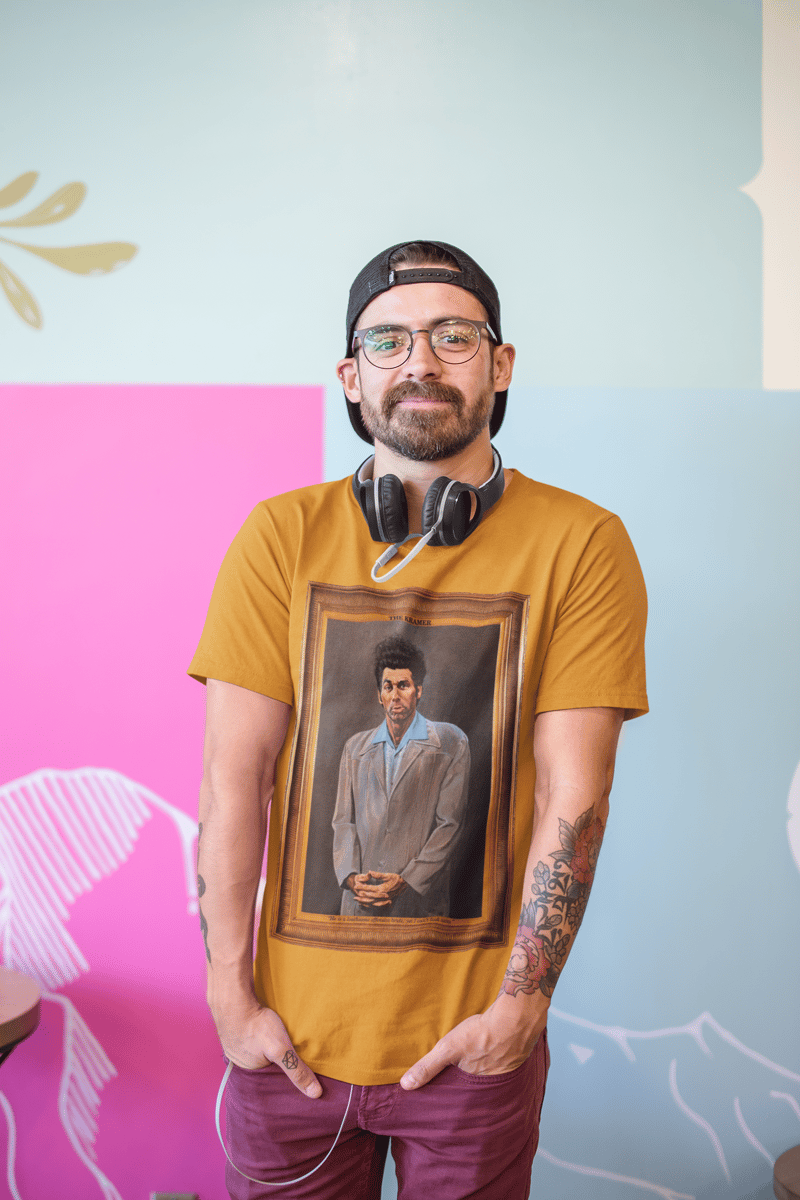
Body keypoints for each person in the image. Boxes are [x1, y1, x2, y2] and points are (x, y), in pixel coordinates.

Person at [189, 239, 648, 1199]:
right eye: (389, 341)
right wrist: (230, 996)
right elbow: (235, 783)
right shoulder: (278, 537)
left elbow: (575, 796)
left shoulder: (583, 543)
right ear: (352, 378)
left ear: (500, 364)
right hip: (288, 1048)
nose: (421, 362)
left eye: (453, 336)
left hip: (474, 1048)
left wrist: (520, 1010)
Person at [333, 635, 470, 918]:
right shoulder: (355, 748)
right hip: (360, 905)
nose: (395, 696)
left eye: (403, 685)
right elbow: (344, 822)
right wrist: (351, 878)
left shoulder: (451, 742)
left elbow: (450, 825)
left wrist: (406, 881)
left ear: (418, 690)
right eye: (388, 686)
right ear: (379, 695)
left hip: (417, 907)